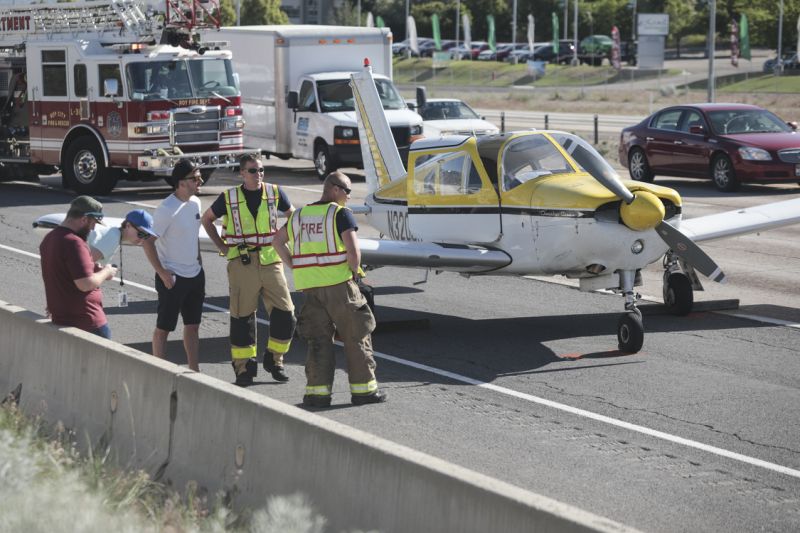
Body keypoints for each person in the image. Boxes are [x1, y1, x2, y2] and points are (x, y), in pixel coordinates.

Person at [273, 171, 386, 408]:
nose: (347, 196)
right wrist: (355, 273)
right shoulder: (339, 213)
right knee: (356, 337)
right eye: (346, 191)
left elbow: (276, 241)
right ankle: (364, 391)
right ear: (334, 189)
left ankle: (317, 394)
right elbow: (353, 251)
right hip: (339, 287)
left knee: (318, 341)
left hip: (311, 289)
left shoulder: (299, 216)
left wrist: (293, 264)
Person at [201, 154, 296, 386]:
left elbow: (293, 216)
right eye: (253, 171)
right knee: (242, 318)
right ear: (242, 173)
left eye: (261, 170)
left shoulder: (274, 193)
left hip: (271, 260)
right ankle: (244, 369)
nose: (259, 175)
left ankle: (275, 360)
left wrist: (283, 240)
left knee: (286, 314)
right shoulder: (229, 197)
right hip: (242, 263)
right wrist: (222, 247)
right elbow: (207, 220)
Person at [142, 159, 205, 372]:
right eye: (195, 178)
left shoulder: (196, 203)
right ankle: (158, 370)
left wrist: (199, 261)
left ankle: (194, 371)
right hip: (173, 277)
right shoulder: (166, 209)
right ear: (181, 182)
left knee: (193, 326)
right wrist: (162, 272)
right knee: (164, 328)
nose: (200, 181)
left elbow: (194, 235)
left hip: (195, 274)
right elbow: (147, 241)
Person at [39, 196, 117, 338]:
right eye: (93, 223)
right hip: (87, 323)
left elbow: (62, 272)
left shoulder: (49, 238)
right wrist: (107, 271)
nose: (93, 228)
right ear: (84, 219)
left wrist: (92, 267)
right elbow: (85, 284)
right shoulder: (74, 242)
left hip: (62, 319)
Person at [88, 209, 158, 266]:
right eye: (141, 234)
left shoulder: (114, 233)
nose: (142, 239)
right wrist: (106, 272)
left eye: (146, 236)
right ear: (128, 225)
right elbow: (82, 264)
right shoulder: (112, 238)